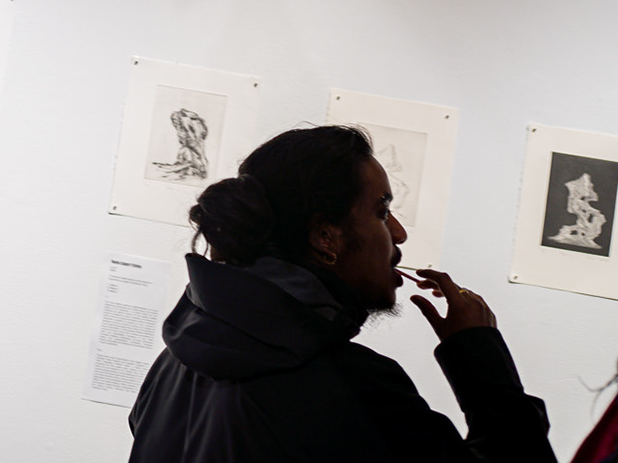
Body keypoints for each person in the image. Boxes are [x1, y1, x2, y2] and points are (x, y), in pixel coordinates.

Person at [129, 124, 556, 463]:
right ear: (325, 236)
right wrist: (480, 358)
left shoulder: (175, 363)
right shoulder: (349, 386)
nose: (399, 234)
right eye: (382, 211)